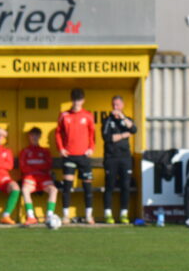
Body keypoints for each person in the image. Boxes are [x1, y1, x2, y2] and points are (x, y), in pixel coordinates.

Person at [56, 87, 96, 224]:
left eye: (79, 100)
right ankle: (65, 215)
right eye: (74, 100)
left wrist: (91, 148)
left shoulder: (88, 115)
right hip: (69, 155)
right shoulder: (64, 115)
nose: (77, 103)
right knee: (67, 186)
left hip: (84, 156)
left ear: (83, 100)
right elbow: (57, 133)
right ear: (71, 100)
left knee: (87, 187)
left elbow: (92, 133)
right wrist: (61, 148)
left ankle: (89, 215)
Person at [10, 127, 58, 226]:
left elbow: (48, 165)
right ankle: (31, 216)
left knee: (53, 190)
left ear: (40, 136)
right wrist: (39, 166)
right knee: (25, 189)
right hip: (30, 177)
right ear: (29, 136)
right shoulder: (25, 151)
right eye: (32, 135)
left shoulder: (45, 151)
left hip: (43, 177)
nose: (34, 137)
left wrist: (33, 166)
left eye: (36, 135)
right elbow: (23, 168)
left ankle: (49, 216)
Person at [101, 95, 137, 224]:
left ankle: (123, 213)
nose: (115, 107)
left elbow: (133, 129)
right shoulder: (107, 120)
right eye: (113, 105)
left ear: (122, 106)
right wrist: (123, 135)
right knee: (109, 186)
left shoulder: (127, 119)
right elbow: (107, 138)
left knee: (125, 186)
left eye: (117, 105)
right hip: (111, 158)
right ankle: (108, 213)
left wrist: (123, 118)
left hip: (125, 158)